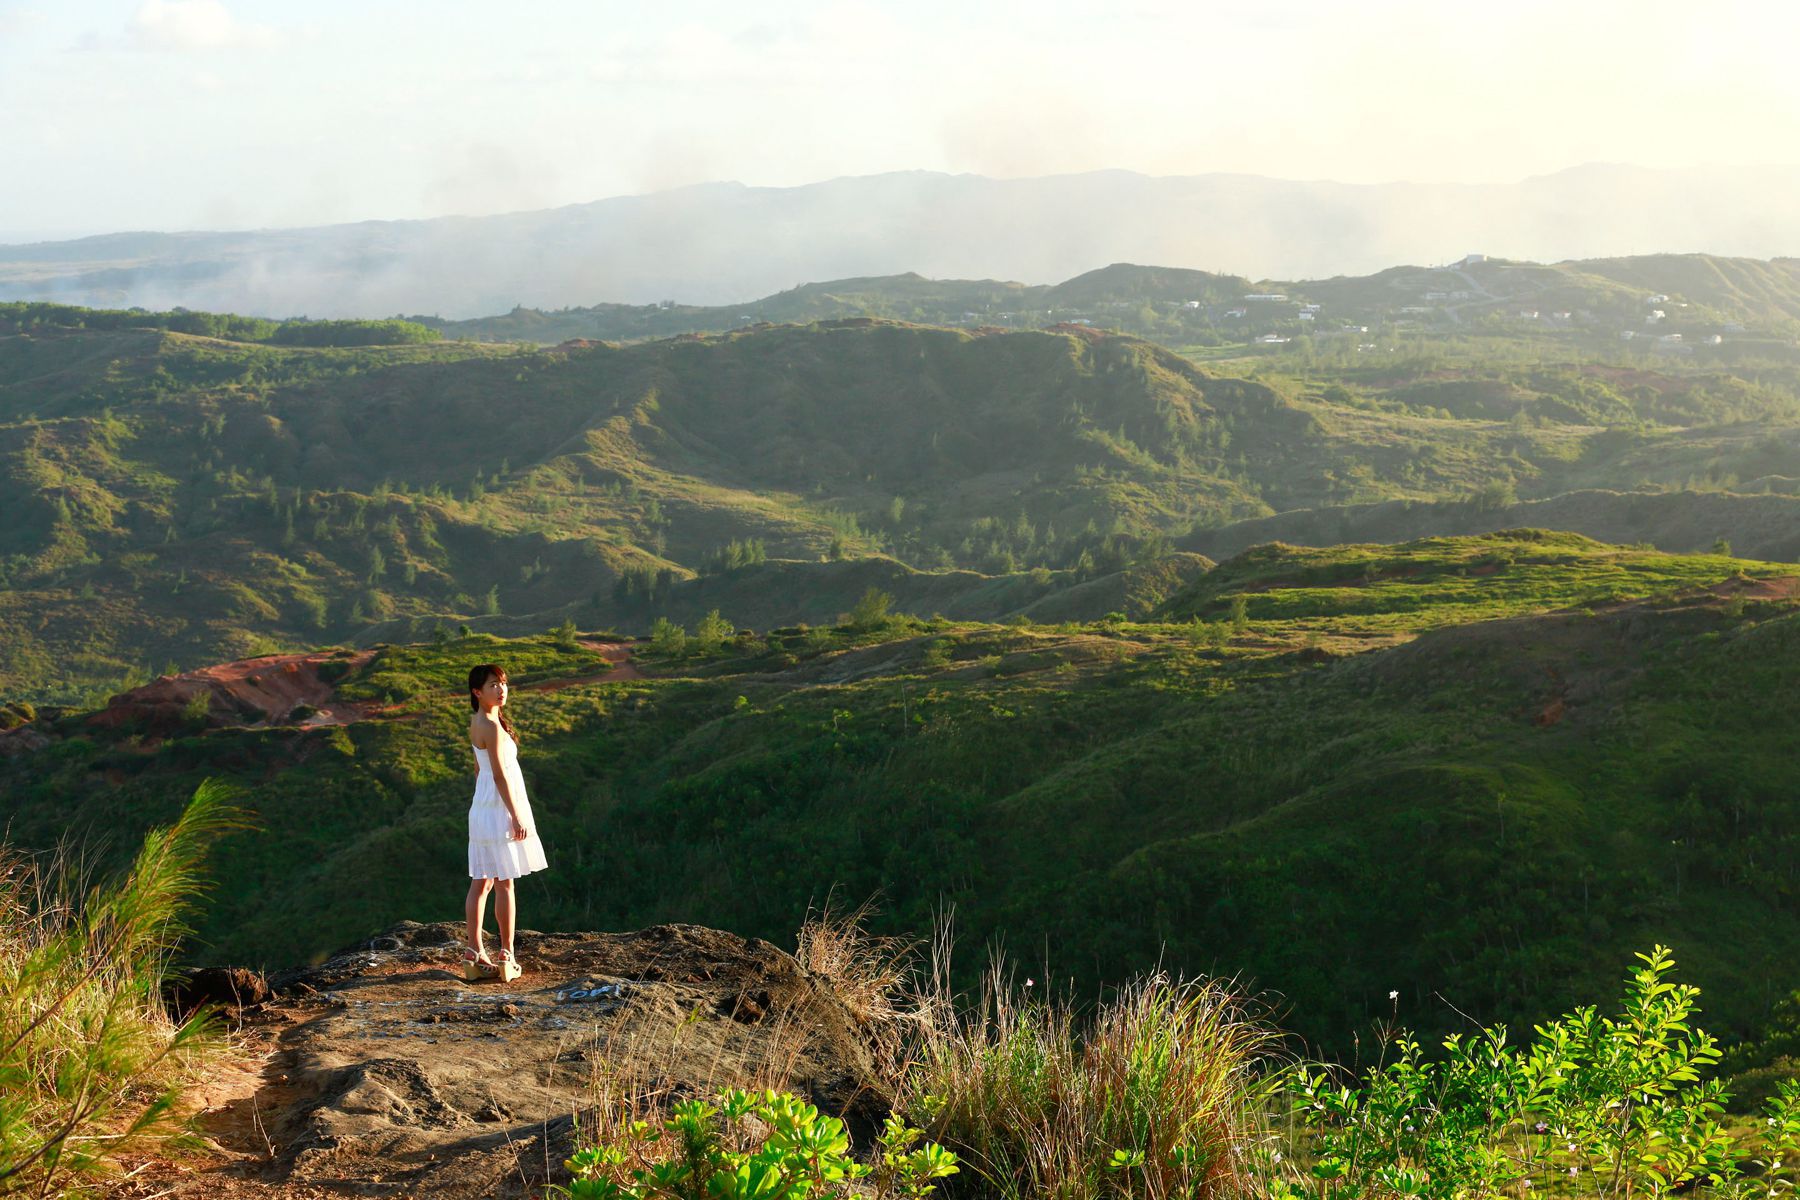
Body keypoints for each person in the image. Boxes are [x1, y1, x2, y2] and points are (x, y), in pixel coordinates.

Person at [464, 663, 548, 982]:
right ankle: (506, 954)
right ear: (477, 692)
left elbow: (479, 770)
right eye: (492, 685)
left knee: (482, 881)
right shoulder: (493, 726)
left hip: (483, 806)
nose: (501, 689)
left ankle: (474, 952)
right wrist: (515, 814)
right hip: (498, 807)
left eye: (502, 684)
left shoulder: (477, 722)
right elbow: (499, 774)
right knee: (504, 883)